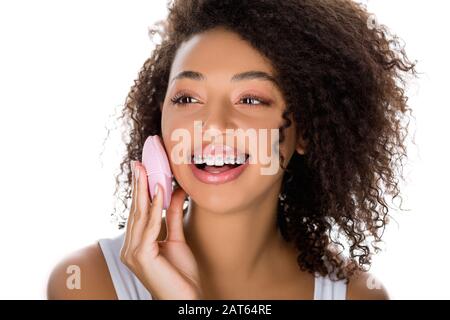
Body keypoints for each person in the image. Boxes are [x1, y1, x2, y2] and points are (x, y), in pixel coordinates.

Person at [47, 0, 416, 300]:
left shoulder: (357, 296)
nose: (214, 125)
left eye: (251, 99)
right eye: (188, 97)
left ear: (305, 131)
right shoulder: (87, 282)